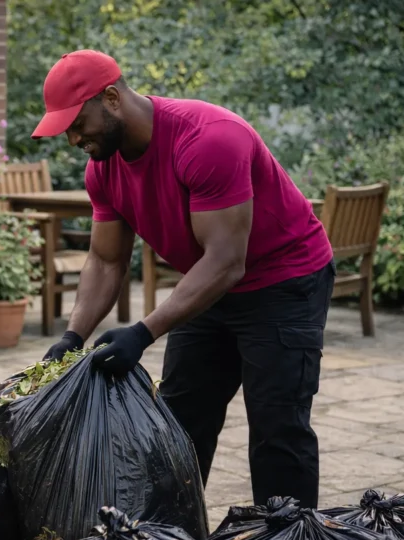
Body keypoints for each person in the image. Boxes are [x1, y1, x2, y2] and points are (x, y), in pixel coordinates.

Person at [31, 50, 334, 509]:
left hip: (283, 281)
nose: (73, 139)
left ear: (111, 98)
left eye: (77, 124)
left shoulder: (207, 139)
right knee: (179, 424)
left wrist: (143, 331)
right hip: (208, 286)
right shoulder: (103, 169)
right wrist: (73, 335)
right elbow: (106, 260)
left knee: (278, 428)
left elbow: (227, 261)